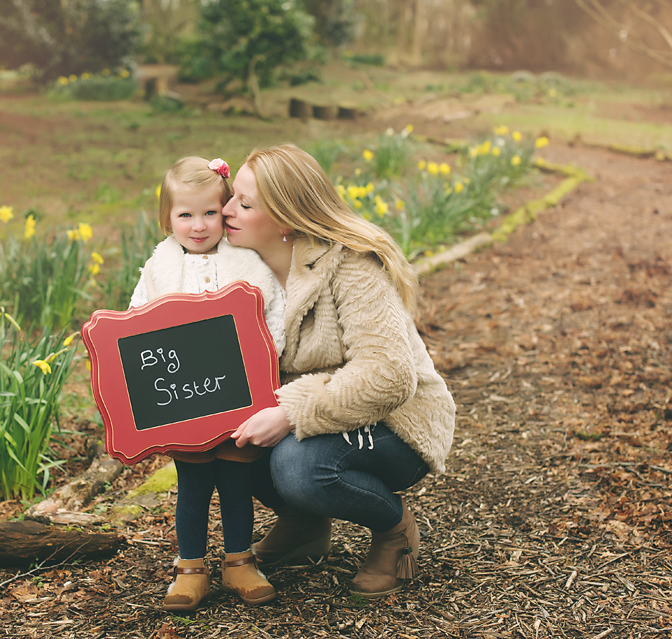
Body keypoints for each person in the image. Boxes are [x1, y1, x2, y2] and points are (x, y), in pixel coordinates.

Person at [223, 144, 456, 599]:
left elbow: (389, 374)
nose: (227, 210)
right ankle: (304, 526)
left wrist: (289, 412)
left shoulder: (350, 264)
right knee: (225, 435)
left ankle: (393, 529)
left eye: (244, 204)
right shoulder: (239, 266)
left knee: (299, 468)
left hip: (396, 423)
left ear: (286, 218)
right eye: (232, 197)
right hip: (322, 412)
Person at [130, 156, 286, 612]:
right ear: (167, 219)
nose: (198, 226)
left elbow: (272, 314)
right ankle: (190, 567)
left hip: (238, 397)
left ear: (225, 211)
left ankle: (240, 560)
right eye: (185, 214)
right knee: (194, 484)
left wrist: (263, 358)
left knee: (236, 482)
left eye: (210, 213)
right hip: (184, 401)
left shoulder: (246, 262)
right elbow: (137, 326)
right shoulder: (160, 267)